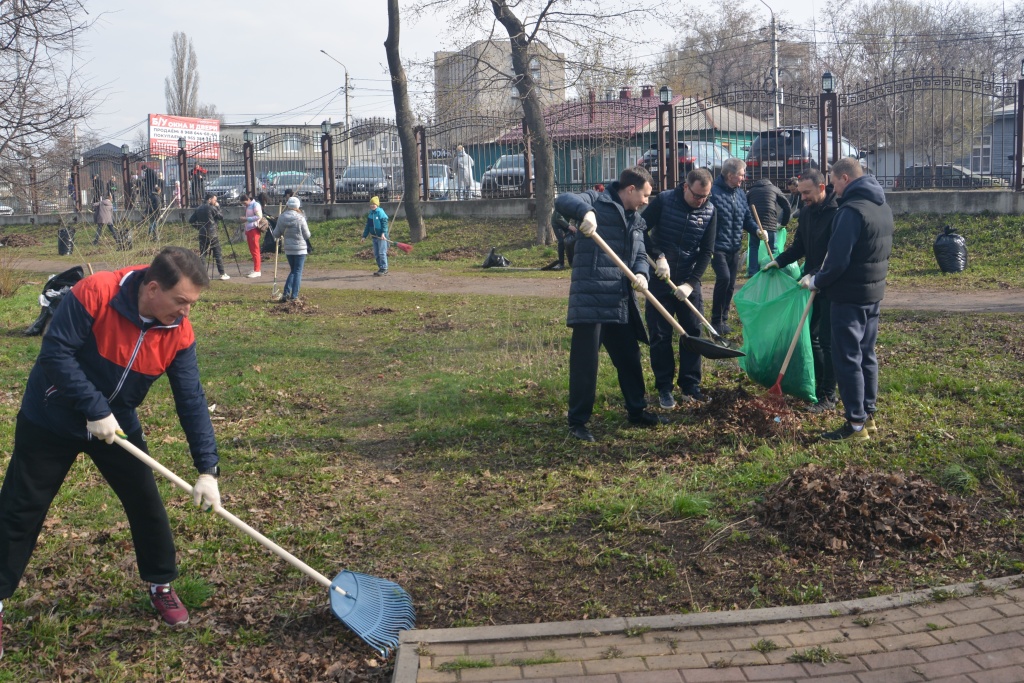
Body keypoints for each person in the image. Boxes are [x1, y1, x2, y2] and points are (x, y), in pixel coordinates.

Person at [0, 247, 222, 652]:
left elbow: (191, 399)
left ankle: (160, 583)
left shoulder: (178, 332)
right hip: (50, 417)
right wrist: (94, 408)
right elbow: (55, 352)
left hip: (114, 427)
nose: (186, 311)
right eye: (181, 301)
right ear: (152, 289)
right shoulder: (95, 293)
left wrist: (207, 469)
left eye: (192, 303)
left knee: (145, 501)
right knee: (20, 508)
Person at [554, 166, 665, 442]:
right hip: (591, 299)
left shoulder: (636, 220)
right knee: (585, 364)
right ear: (631, 189)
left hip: (619, 299)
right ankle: (578, 422)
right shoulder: (596, 200)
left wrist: (642, 273)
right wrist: (586, 213)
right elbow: (562, 200)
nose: (646, 201)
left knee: (629, 358)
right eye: (645, 195)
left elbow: (640, 254)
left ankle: (637, 411)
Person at [797, 158, 893, 441]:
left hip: (848, 297)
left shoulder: (850, 211)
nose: (833, 187)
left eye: (834, 181)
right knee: (866, 355)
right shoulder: (882, 207)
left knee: (847, 358)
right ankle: (868, 415)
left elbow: (837, 261)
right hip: (872, 294)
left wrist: (817, 281)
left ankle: (855, 424)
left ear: (845, 178)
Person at [763, 170, 839, 411]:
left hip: (832, 285)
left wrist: (814, 273)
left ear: (822, 187)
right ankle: (817, 384)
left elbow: (835, 255)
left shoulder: (837, 213)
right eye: (801, 192)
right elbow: (800, 246)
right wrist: (779, 261)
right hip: (812, 283)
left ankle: (829, 395)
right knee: (813, 336)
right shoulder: (806, 213)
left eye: (807, 192)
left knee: (827, 341)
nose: (802, 196)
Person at [643, 168, 718, 408]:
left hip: (687, 280)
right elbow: (640, 229)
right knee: (660, 335)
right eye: (697, 195)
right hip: (659, 278)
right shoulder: (664, 201)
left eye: (705, 196)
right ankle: (664, 388)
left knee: (692, 333)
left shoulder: (710, 210)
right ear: (686, 186)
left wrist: (691, 283)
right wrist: (658, 256)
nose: (701, 201)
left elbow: (707, 251)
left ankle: (690, 386)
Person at [709, 158, 759, 334]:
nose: (744, 178)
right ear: (730, 175)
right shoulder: (713, 193)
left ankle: (723, 319)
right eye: (741, 175)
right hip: (717, 246)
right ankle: (715, 320)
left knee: (730, 284)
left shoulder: (740, 194)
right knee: (723, 279)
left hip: (734, 246)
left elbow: (746, 218)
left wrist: (757, 230)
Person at [746, 176, 792, 276]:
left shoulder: (751, 191)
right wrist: (783, 223)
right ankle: (772, 271)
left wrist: (747, 223)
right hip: (770, 223)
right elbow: (787, 206)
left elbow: (744, 207)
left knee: (754, 247)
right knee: (773, 249)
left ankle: (752, 272)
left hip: (755, 225)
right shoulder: (774, 189)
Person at [271, 197, 312, 301]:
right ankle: (294, 296)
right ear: (298, 206)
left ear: (288, 205)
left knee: (293, 270)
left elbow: (275, 234)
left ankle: (286, 293)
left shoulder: (282, 217)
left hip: (288, 249)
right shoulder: (300, 217)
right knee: (297, 271)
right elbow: (307, 235)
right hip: (300, 249)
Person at [188, 193, 230, 280]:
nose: (216, 202)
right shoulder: (211, 208)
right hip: (212, 234)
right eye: (215, 200)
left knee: (203, 254)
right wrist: (218, 207)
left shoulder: (198, 208)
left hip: (202, 233)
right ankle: (222, 273)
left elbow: (191, 220)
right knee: (217, 253)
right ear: (210, 199)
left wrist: (199, 227)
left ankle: (204, 275)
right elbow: (220, 217)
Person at [362, 196, 389, 276]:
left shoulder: (380, 212)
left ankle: (384, 268)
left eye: (374, 204)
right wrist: (364, 236)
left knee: (382, 253)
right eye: (371, 204)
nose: (372, 205)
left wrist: (383, 233)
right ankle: (380, 268)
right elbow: (368, 226)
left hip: (382, 237)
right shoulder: (370, 214)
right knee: (376, 254)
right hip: (374, 237)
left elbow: (384, 223)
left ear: (377, 205)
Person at [242, 193, 264, 278]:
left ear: (248, 199)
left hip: (254, 229)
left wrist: (246, 219)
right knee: (252, 250)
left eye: (244, 203)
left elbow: (259, 216)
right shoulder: (248, 206)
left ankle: (257, 270)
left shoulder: (255, 205)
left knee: (255, 250)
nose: (244, 205)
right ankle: (256, 268)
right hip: (249, 229)